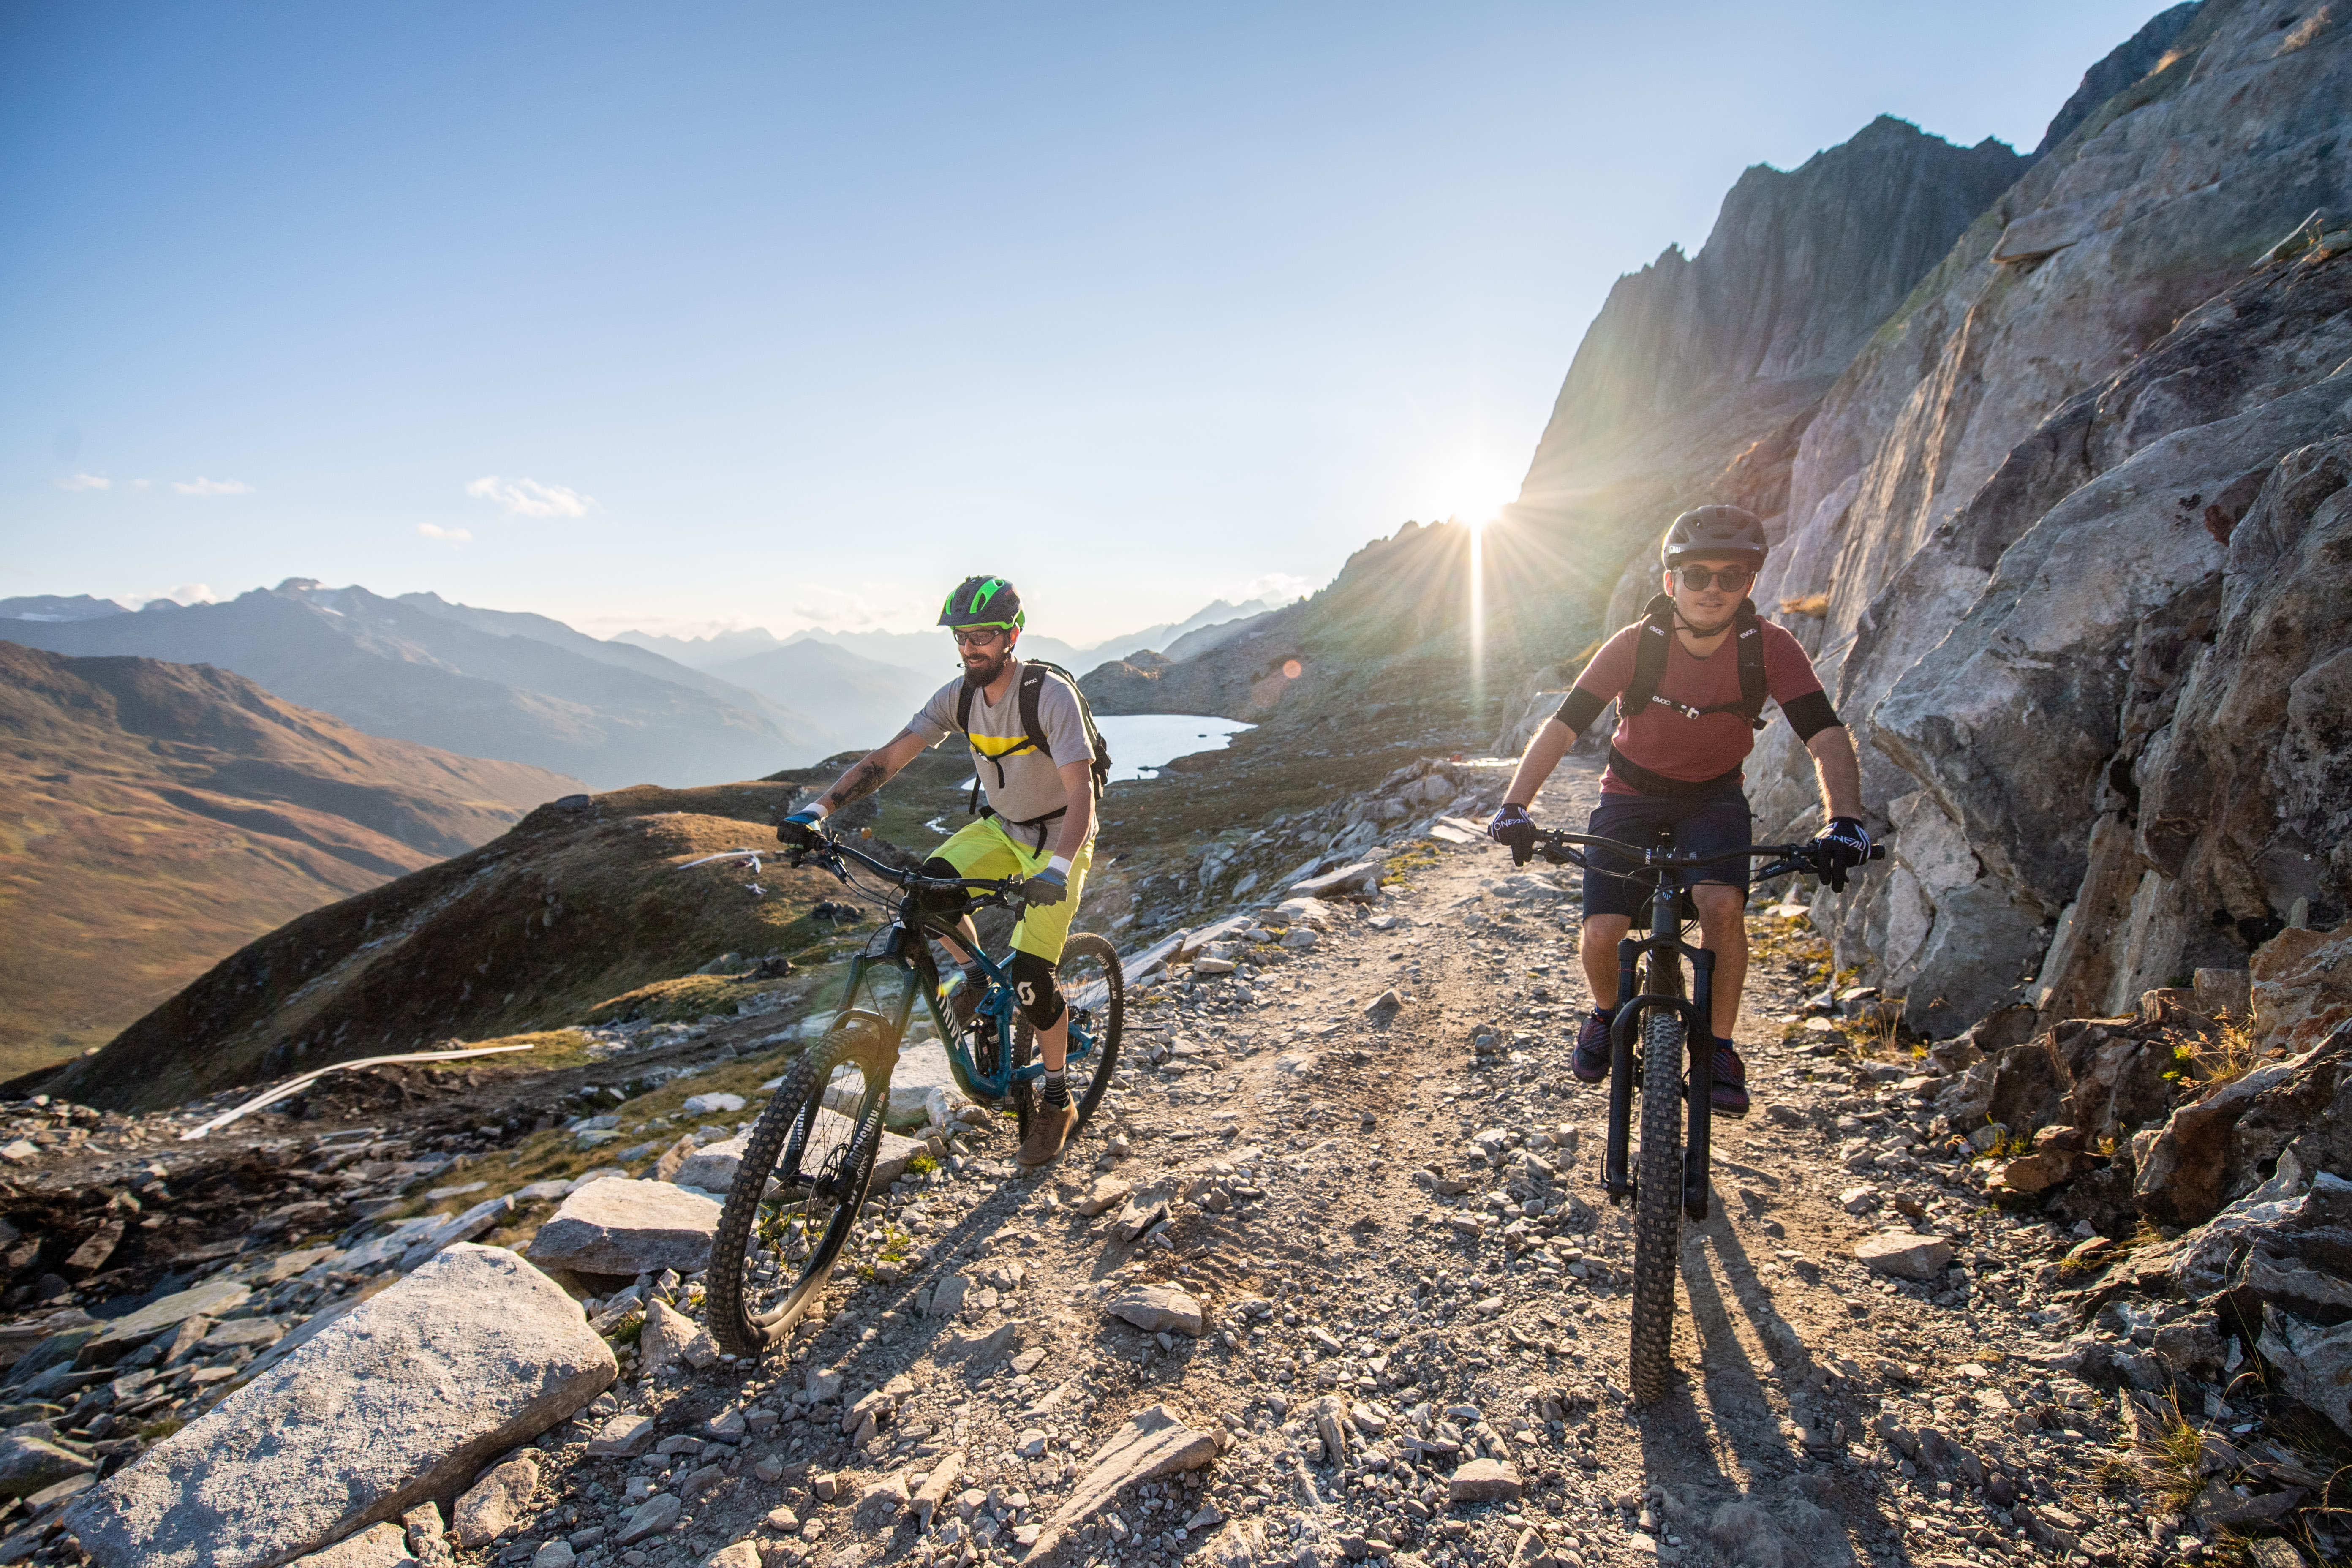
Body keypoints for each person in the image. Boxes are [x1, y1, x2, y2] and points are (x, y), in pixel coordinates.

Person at [1486, 506, 1871, 1116]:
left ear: (1750, 583)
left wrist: (1844, 819)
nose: (1712, 588)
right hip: (1629, 795)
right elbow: (1562, 727)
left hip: (1714, 798)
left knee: (1722, 905)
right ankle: (1605, 1014)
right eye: (1697, 575)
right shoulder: (1635, 645)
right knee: (1604, 930)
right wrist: (1514, 805)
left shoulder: (1771, 648)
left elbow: (1824, 735)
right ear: (1671, 582)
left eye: (1731, 575)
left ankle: (1719, 1047)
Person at [778, 575, 1099, 1165]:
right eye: (962, 636)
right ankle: (974, 977)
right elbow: (888, 758)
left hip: (1060, 835)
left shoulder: (1048, 694)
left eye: (983, 635)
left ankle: (1056, 1099)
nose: (971, 646)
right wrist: (818, 810)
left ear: (1011, 637)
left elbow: (1082, 793)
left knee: (1032, 978)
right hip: (1001, 828)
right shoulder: (958, 696)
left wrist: (1056, 867)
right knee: (925, 898)